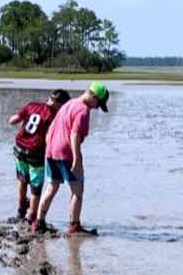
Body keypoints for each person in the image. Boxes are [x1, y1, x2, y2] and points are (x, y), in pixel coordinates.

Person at [32, 81, 110, 236]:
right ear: (92, 96)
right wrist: (76, 159)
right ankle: (74, 226)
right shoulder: (83, 110)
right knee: (78, 191)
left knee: (51, 187)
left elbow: (51, 128)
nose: (96, 107)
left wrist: (50, 147)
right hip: (66, 153)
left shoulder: (68, 104)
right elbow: (75, 135)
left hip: (51, 151)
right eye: (98, 103)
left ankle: (39, 223)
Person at [7, 89, 70, 222]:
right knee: (36, 187)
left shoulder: (32, 105)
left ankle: (20, 210)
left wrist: (13, 118)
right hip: (36, 153)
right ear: (58, 104)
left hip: (19, 149)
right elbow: (49, 138)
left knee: (22, 180)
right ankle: (31, 216)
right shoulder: (54, 116)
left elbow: (13, 120)